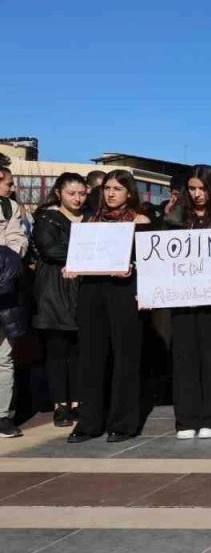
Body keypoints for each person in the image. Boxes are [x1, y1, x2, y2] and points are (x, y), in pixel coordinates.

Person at [68, 170, 152, 443]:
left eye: (117, 188)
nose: (111, 193)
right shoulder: (90, 220)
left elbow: (150, 264)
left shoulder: (140, 221)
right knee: (91, 359)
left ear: (129, 192)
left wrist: (132, 269)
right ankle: (89, 422)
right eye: (106, 188)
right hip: (92, 294)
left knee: (125, 359)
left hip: (124, 294)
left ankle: (123, 423)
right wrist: (72, 267)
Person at [166, 165, 211, 439]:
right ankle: (186, 419)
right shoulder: (174, 219)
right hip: (183, 300)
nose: (197, 194)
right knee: (184, 358)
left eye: (202, 188)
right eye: (192, 188)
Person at [30, 173, 88, 428]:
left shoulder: (91, 217)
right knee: (56, 351)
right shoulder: (46, 218)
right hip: (54, 292)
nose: (77, 198)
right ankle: (59, 405)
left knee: (78, 350)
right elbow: (50, 249)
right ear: (59, 194)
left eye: (82, 193)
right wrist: (87, 251)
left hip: (82, 291)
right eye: (71, 193)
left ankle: (77, 400)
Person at [0, 246, 31, 439]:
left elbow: (17, 244)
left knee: (3, 359)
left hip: (3, 305)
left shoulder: (5, 214)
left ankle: (2, 416)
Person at [0, 167, 30, 257]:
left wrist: (9, 258)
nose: (12, 189)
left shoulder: (11, 206)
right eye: (9, 185)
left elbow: (17, 239)